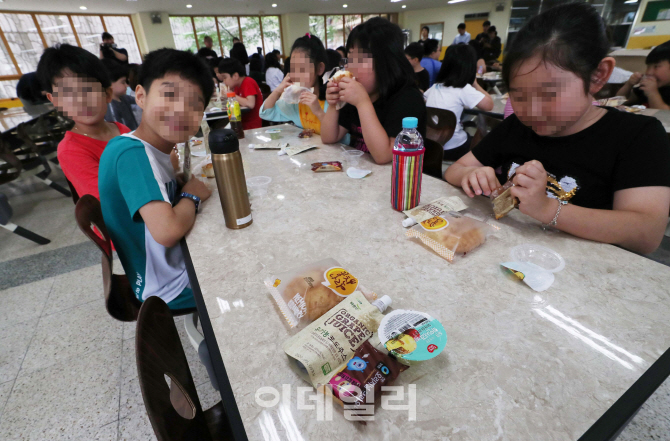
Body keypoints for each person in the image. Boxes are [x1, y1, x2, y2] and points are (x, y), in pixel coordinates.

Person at [444, 3, 670, 255]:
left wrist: (548, 209)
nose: (533, 111)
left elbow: (646, 233)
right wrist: (471, 176)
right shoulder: (517, 126)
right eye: (518, 96)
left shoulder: (638, 135)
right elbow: (454, 169)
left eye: (549, 94)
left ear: (598, 75)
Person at [98, 48, 213, 310]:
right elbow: (167, 231)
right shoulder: (131, 153)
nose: (181, 110)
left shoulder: (148, 148)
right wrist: (192, 194)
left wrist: (177, 180)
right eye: (169, 95)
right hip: (168, 289)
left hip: (169, 270)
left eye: (194, 104)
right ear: (140, 95)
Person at [321, 18, 427, 164]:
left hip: (398, 179)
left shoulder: (407, 98)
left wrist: (363, 103)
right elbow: (328, 137)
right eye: (350, 58)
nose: (351, 67)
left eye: (360, 60)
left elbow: (384, 156)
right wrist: (333, 104)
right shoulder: (357, 94)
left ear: (387, 62)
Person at [36, 44, 131, 201]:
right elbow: (110, 202)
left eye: (87, 89)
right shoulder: (71, 150)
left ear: (107, 94)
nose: (81, 100)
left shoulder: (121, 129)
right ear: (55, 101)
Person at [260, 34, 344, 138]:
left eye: (302, 69)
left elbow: (341, 139)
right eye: (293, 69)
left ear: (319, 69)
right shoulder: (296, 103)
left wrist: (318, 111)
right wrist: (278, 90)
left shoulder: (333, 98)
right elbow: (266, 112)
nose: (296, 75)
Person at [425, 45, 493, 161]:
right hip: (454, 148)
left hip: (432, 147)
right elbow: (489, 105)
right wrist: (475, 84)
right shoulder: (463, 88)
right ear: (469, 66)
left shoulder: (434, 87)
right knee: (481, 133)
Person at [617, 41, 670, 110]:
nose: (648, 72)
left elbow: (666, 115)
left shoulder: (652, 89)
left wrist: (652, 93)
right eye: (648, 67)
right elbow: (618, 101)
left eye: (656, 66)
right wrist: (629, 84)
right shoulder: (650, 87)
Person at [217, 58, 263, 130]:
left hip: (252, 126)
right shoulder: (236, 87)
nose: (224, 81)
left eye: (225, 78)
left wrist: (231, 95)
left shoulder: (248, 82)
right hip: (240, 123)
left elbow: (250, 104)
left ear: (235, 76)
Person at [102, 59, 139, 130]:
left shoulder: (124, 98)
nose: (126, 85)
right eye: (123, 82)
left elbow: (139, 101)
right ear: (110, 85)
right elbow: (116, 129)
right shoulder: (110, 105)